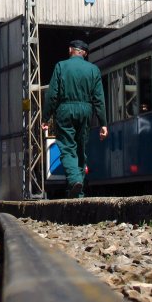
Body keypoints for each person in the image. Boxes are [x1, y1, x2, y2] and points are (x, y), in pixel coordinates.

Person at [43, 39, 108, 198]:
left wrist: (46, 117)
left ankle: (74, 181)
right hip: (86, 110)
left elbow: (52, 95)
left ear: (70, 50)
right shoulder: (93, 70)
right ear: (84, 53)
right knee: (81, 149)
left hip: (65, 109)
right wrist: (103, 124)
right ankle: (78, 194)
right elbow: (99, 99)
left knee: (67, 148)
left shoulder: (61, 66)